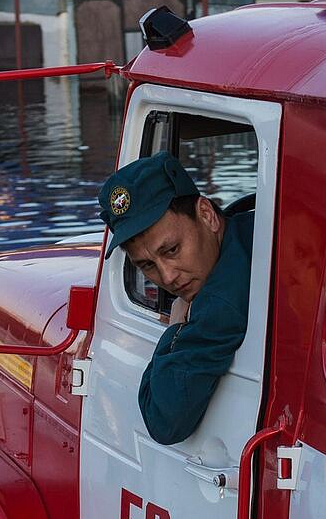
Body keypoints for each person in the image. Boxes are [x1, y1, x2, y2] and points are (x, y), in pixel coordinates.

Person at [96, 152, 253, 445]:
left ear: (206, 214)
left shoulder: (221, 304)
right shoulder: (251, 225)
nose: (167, 278)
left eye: (172, 250)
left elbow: (163, 421)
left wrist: (177, 327)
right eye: (147, 266)